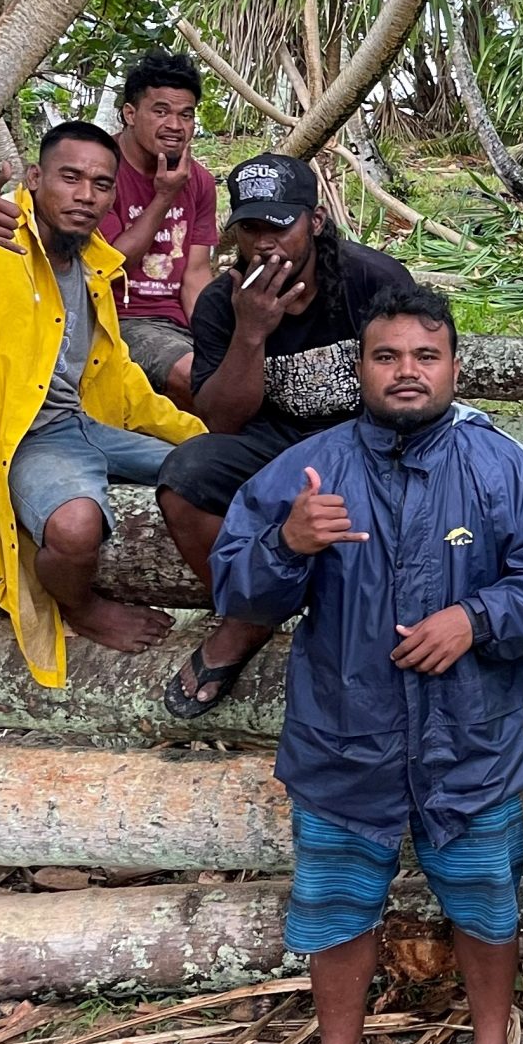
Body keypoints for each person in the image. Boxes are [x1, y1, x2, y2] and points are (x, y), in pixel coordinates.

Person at [210, 285, 523, 1044]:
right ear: (361, 369)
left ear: (455, 366)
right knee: (337, 912)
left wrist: (477, 619)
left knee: (486, 906)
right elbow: (237, 588)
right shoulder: (312, 471)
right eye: (387, 356)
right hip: (347, 743)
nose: (407, 372)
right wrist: (288, 546)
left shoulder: (502, 470)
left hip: (473, 743)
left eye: (426, 356)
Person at [0, 122, 204, 685]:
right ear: (37, 179)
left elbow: (119, 379)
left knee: (210, 470)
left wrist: (199, 437)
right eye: (70, 177)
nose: (85, 195)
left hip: (88, 425)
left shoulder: (91, 265)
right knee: (73, 527)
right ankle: (81, 608)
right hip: (23, 436)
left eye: (101, 184)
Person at [158, 154, 416, 717]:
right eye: (251, 228)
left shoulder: (373, 281)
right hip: (278, 444)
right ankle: (249, 613)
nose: (266, 244)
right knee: (185, 477)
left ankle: (334, 616)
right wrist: (251, 331)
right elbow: (222, 421)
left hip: (370, 440)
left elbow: (410, 381)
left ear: (315, 222)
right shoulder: (222, 303)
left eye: (281, 226)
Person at [103, 48, 218, 401]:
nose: (175, 126)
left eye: (186, 115)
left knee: (236, 369)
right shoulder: (100, 169)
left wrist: (214, 337)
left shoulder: (198, 180)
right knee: (194, 377)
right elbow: (110, 265)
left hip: (177, 324)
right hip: (118, 320)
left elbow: (195, 274)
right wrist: (165, 196)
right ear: (130, 114)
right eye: (161, 111)